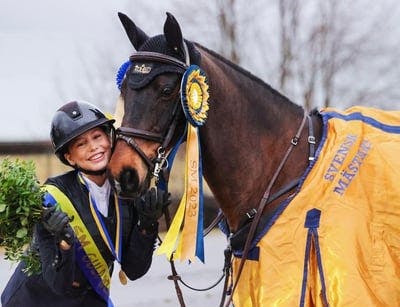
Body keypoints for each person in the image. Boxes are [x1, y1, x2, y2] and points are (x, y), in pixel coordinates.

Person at [1, 101, 169, 307]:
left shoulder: (126, 192)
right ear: (69, 157)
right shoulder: (51, 198)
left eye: (97, 137)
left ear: (109, 138)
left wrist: (148, 224)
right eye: (81, 144)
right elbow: (60, 284)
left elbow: (134, 270)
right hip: (35, 302)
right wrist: (64, 242)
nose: (94, 147)